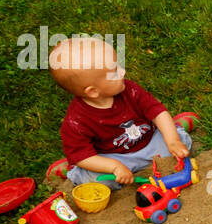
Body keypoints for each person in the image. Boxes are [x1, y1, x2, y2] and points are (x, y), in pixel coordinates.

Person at [50, 37, 191, 185]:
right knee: (91, 181)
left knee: (181, 142)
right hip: (112, 159)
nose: (123, 72)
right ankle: (70, 169)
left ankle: (173, 129)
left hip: (148, 143)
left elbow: (157, 112)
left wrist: (173, 141)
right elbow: (82, 156)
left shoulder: (130, 90)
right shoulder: (76, 121)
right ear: (93, 91)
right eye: (115, 72)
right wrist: (115, 167)